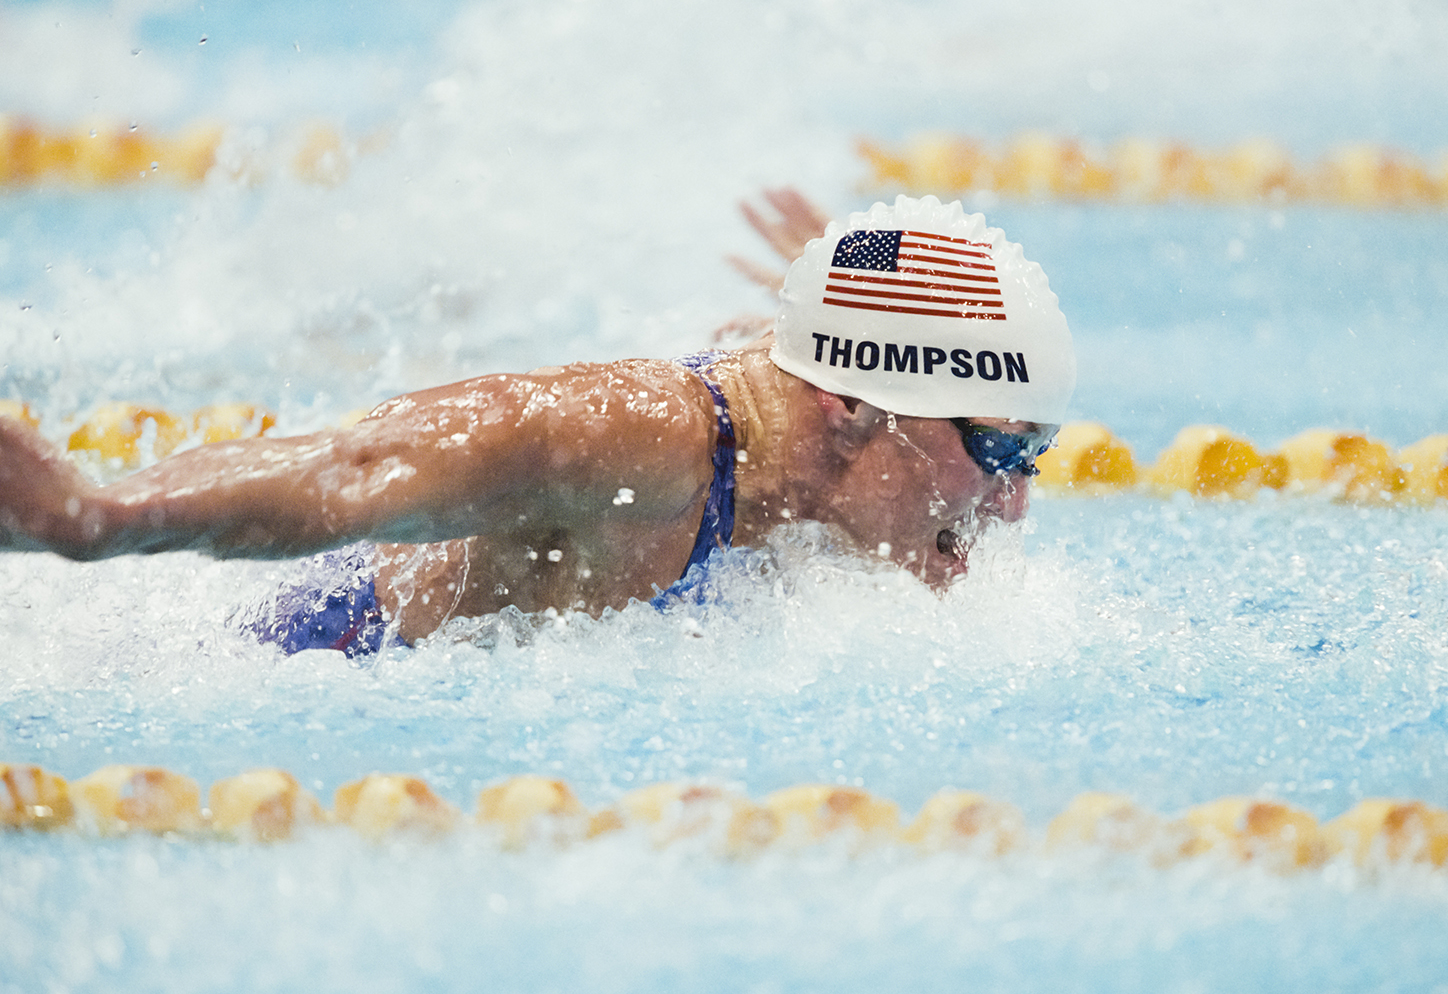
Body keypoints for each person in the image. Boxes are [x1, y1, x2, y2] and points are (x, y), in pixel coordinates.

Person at [0, 192, 1075, 655]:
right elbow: (363, 463)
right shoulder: (637, 442)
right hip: (323, 663)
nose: (1015, 500)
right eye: (1000, 450)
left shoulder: (821, 440)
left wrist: (849, 279)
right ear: (852, 406)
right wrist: (97, 515)